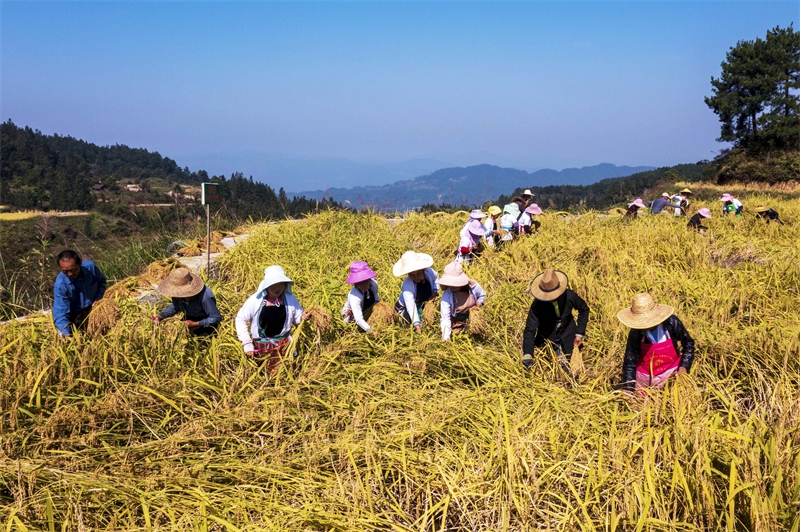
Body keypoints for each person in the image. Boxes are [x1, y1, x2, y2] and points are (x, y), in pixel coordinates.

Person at [235, 265, 309, 373]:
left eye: (280, 284)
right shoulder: (256, 300)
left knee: (286, 377)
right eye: (273, 284)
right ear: (267, 285)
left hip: (284, 346)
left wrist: (303, 317)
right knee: (263, 379)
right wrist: (247, 343)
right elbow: (240, 319)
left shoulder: (289, 299)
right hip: (262, 348)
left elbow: (296, 317)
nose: (277, 288)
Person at [616, 293, 695, 392]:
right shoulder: (636, 332)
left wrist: (684, 366)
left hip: (671, 374)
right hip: (646, 378)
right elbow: (630, 363)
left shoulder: (671, 323)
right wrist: (629, 390)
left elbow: (688, 344)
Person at [522, 270, 590, 371]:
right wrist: (528, 354)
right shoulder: (537, 305)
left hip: (568, 336)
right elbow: (530, 330)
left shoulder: (569, 296)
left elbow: (584, 310)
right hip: (547, 339)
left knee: (569, 369)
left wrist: (579, 333)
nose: (550, 299)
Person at [52, 250, 107, 337]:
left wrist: (98, 297)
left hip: (94, 307)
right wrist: (66, 334)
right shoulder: (60, 285)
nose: (70, 274)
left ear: (80, 263)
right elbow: (60, 312)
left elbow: (101, 282)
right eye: (65, 272)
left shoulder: (90, 268)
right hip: (74, 315)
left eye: (73, 270)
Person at [154, 268, 222, 336]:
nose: (174, 295)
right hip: (189, 319)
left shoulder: (206, 296)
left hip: (206, 323)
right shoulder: (177, 295)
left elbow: (216, 318)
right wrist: (160, 316)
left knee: (201, 343)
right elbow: (175, 307)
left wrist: (195, 324)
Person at [438, 262, 487, 341]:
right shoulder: (447, 294)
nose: (452, 285)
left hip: (471, 315)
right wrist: (445, 337)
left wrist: (477, 306)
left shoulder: (473, 287)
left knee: (477, 333)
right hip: (456, 317)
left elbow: (482, 295)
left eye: (455, 283)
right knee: (458, 336)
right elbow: (445, 317)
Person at [393, 251, 439, 333]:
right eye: (412, 275)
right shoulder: (407, 285)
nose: (416, 277)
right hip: (406, 308)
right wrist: (417, 325)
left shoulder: (430, 272)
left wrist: (435, 291)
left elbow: (436, 278)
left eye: (418, 273)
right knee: (409, 327)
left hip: (422, 303)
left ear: (423, 270)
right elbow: (411, 306)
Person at [341, 261, 379, 332]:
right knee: (353, 329)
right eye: (359, 282)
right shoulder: (354, 296)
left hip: (365, 307)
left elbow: (376, 298)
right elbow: (358, 319)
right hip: (352, 315)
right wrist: (370, 330)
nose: (363, 285)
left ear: (369, 279)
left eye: (364, 281)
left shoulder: (373, 284)